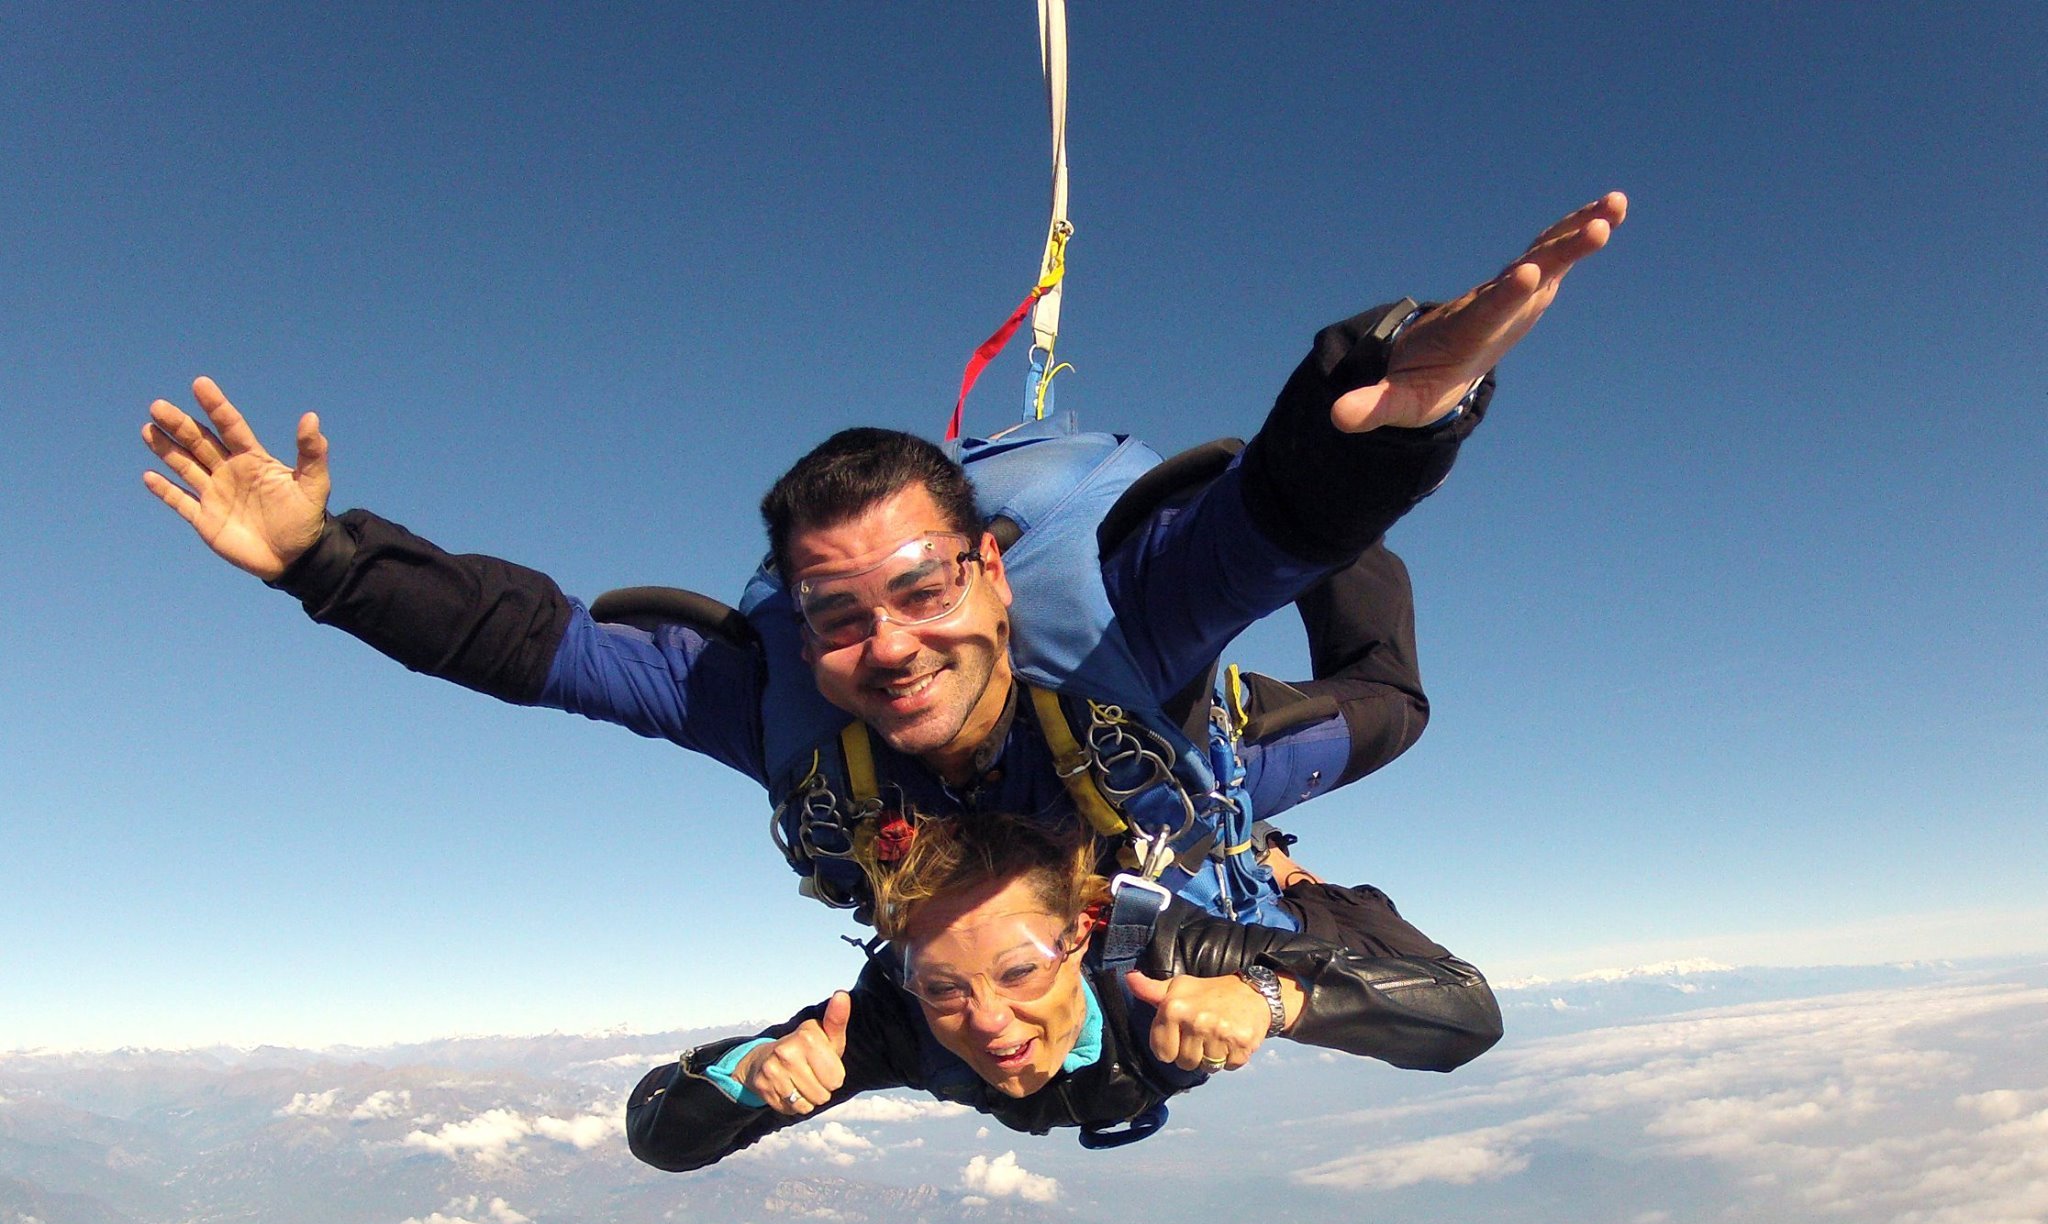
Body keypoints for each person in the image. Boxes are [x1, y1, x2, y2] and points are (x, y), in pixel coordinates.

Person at [140, 195, 1625, 931]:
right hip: (1077, 830)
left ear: (990, 569)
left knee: (1382, 693)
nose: (890, 646)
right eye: (839, 614)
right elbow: (539, 646)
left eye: (922, 591)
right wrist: (321, 560)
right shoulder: (780, 701)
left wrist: (1388, 404)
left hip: (1166, 760)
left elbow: (1279, 517)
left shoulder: (1122, 624)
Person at [624, 811, 1500, 1169]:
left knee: (1340, 892)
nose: (990, 1022)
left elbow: (1466, 1013)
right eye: (945, 988)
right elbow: (663, 1137)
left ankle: (1273, 855)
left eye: (1018, 973)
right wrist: (746, 1072)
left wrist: (1274, 998)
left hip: (1275, 923)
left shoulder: (1166, 954)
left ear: (1080, 938)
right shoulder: (889, 1016)